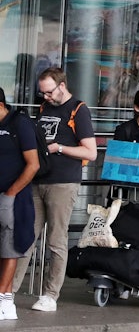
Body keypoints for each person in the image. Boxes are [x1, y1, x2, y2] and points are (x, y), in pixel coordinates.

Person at [13, 67, 97, 312]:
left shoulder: (78, 110)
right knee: (24, 237)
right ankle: (8, 291)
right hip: (38, 179)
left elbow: (90, 152)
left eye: (49, 92)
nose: (46, 97)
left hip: (63, 181)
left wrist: (59, 148)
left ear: (62, 86)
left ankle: (50, 294)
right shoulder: (44, 108)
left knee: (56, 240)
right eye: (42, 93)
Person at [0, 87, 40, 320]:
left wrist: (11, 193)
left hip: (13, 196)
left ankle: (5, 300)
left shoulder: (19, 123)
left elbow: (33, 164)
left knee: (10, 247)